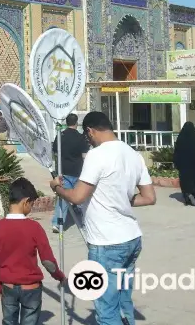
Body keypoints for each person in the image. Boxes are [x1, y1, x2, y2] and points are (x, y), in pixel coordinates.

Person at [49, 111, 156, 325]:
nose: (87, 140)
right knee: (123, 300)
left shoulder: (97, 155)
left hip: (107, 243)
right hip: (131, 238)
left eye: (86, 136)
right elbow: (149, 197)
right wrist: (121, 200)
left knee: (106, 309)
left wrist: (58, 188)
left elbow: (78, 197)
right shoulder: (133, 154)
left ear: (90, 131)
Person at [0, 177, 66, 325]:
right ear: (25, 202)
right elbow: (48, 261)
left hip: (8, 286)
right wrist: (60, 276)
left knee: (8, 321)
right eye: (31, 204)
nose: (31, 208)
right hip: (31, 287)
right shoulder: (35, 228)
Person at [51, 113, 89, 233]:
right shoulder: (80, 137)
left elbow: (55, 152)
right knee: (82, 197)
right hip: (78, 171)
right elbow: (85, 156)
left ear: (66, 123)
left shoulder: (60, 135)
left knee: (63, 197)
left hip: (64, 171)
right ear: (76, 123)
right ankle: (84, 221)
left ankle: (57, 223)